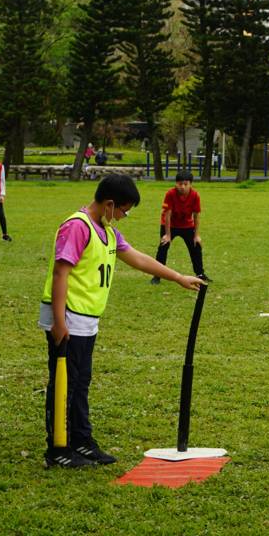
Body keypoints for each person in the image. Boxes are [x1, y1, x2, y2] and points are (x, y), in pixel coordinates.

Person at [39, 175, 206, 468]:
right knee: (66, 382)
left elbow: (139, 259)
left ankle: (81, 440)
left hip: (87, 318)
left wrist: (178, 277)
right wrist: (59, 321)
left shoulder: (107, 231)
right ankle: (58, 448)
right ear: (109, 204)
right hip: (68, 317)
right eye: (123, 211)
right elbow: (60, 273)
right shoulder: (77, 227)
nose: (123, 216)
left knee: (81, 382)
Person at [152, 170, 205, 283]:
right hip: (169, 225)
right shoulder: (170, 194)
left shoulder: (195, 195)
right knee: (163, 246)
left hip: (187, 225)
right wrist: (167, 235)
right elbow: (167, 215)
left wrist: (196, 235)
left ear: (191, 184)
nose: (182, 186)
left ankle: (200, 274)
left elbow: (196, 216)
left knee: (196, 246)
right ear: (176, 184)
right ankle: (157, 276)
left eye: (186, 184)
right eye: (180, 183)